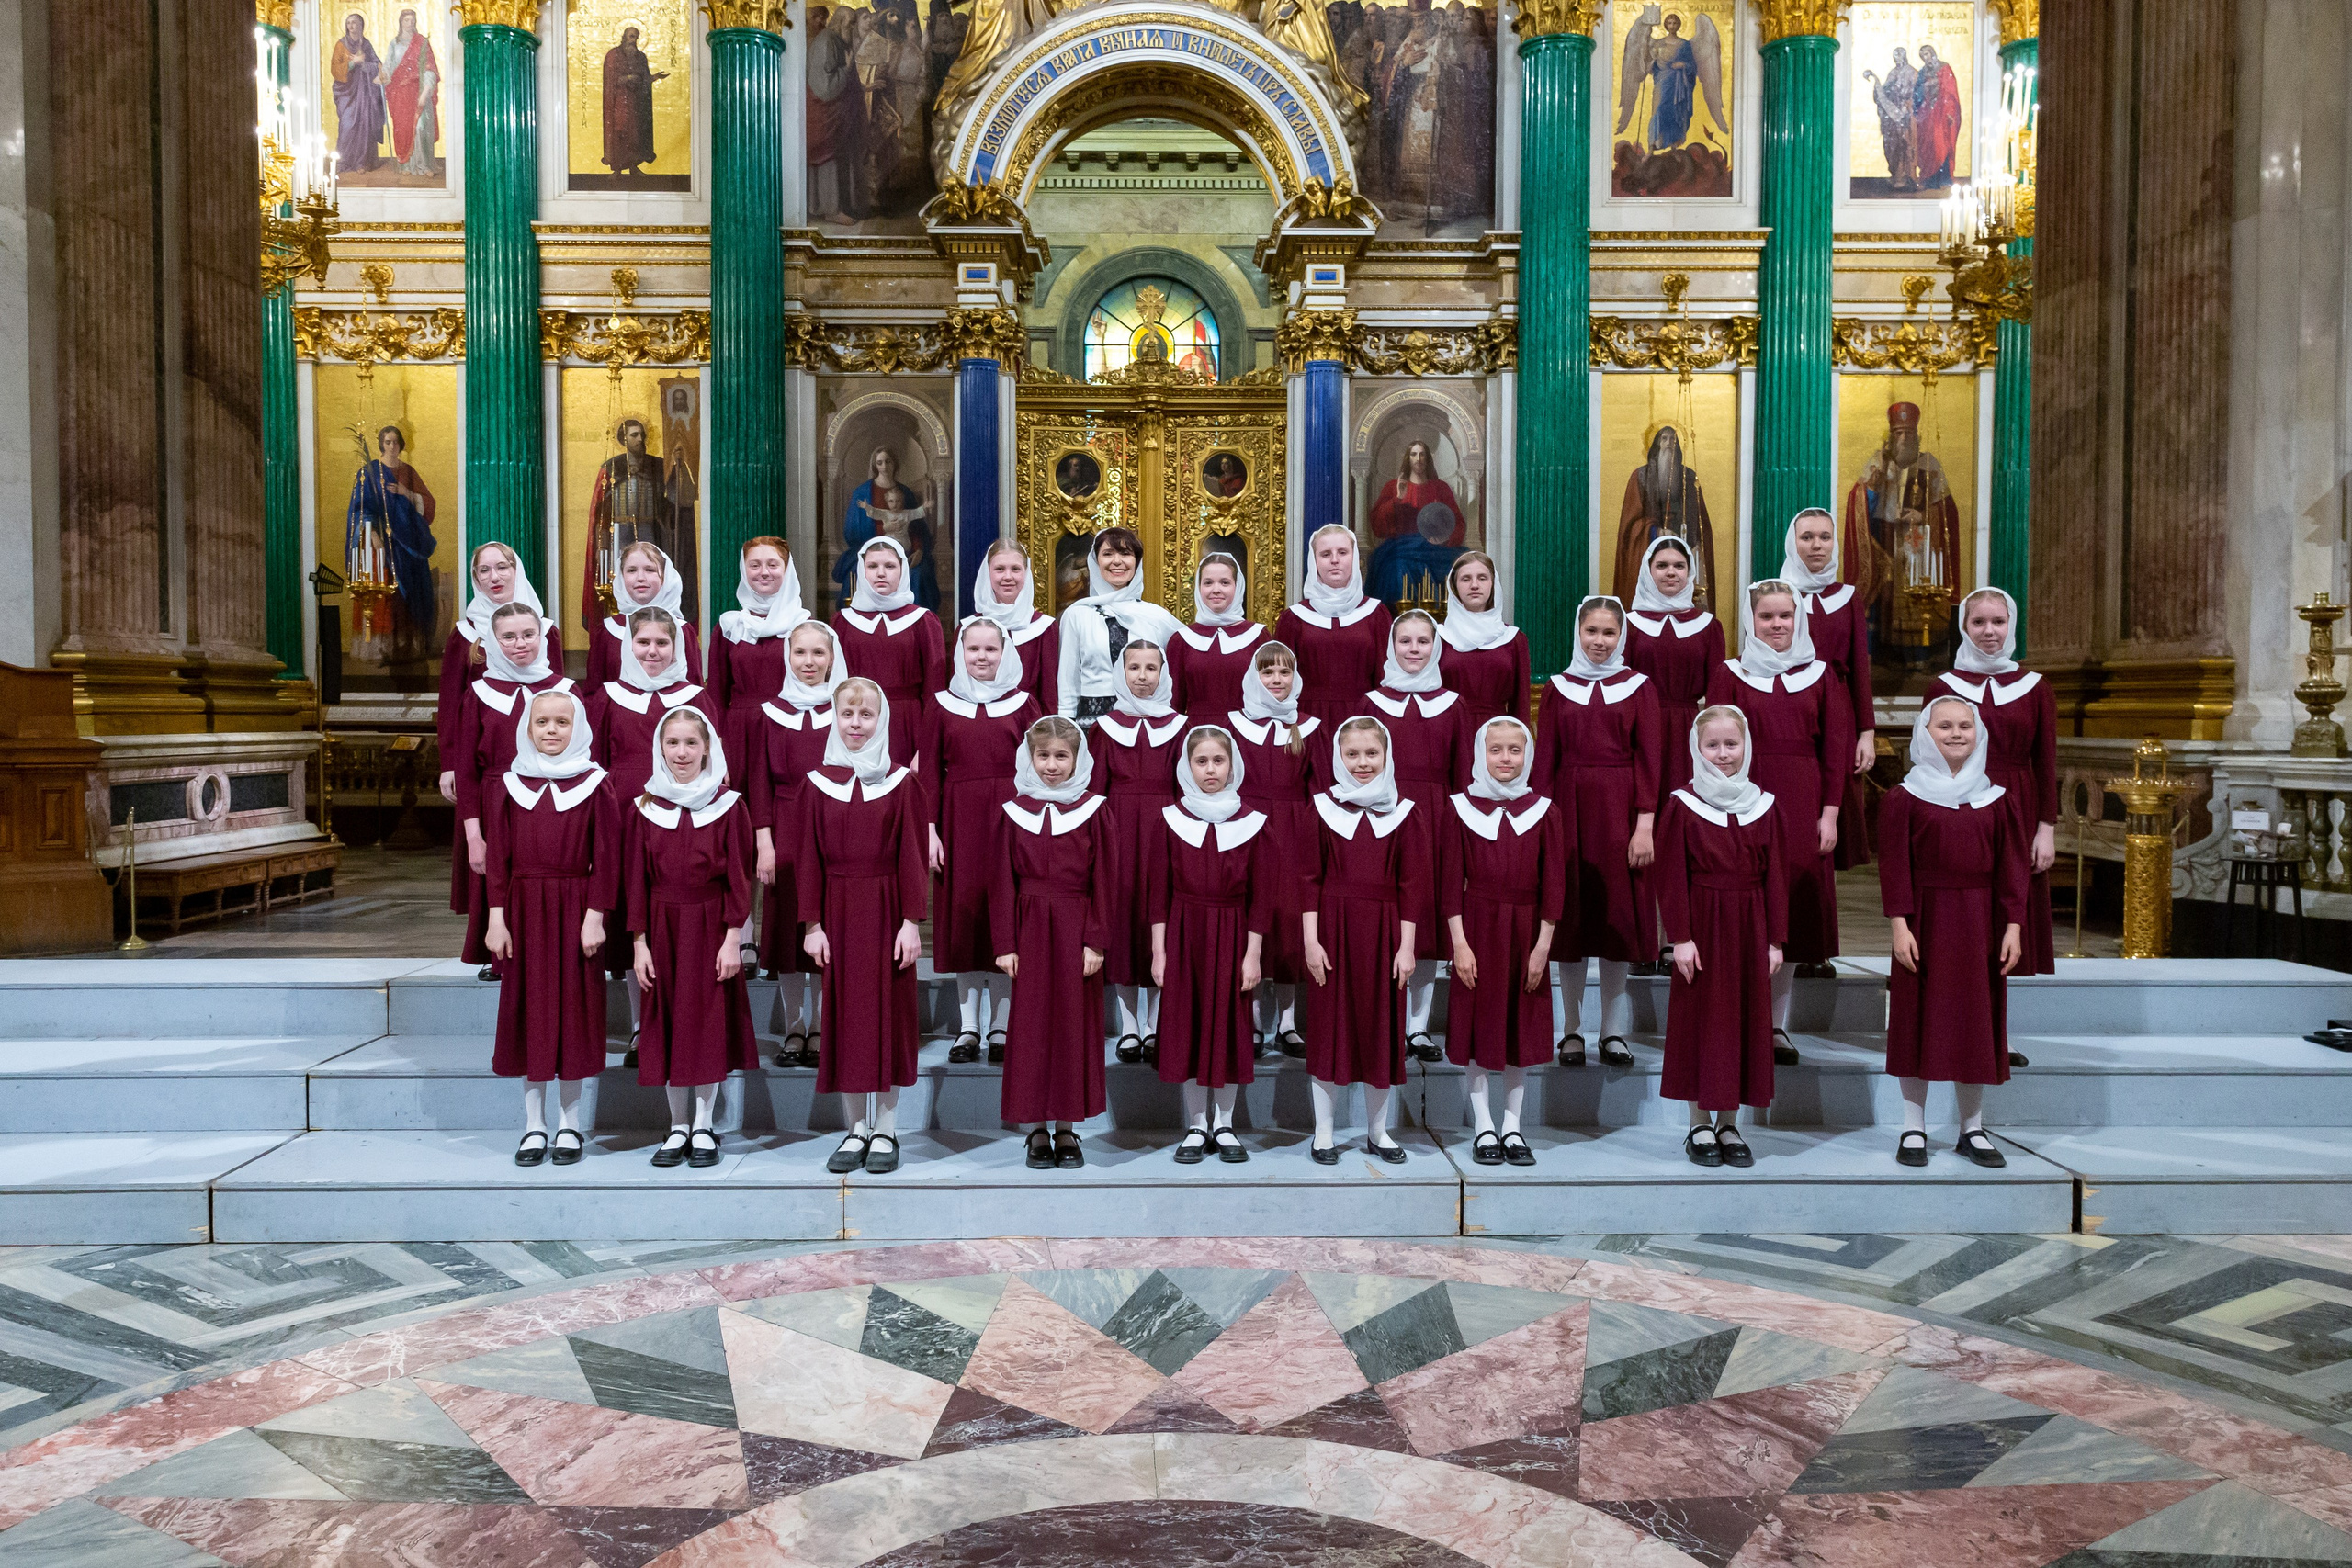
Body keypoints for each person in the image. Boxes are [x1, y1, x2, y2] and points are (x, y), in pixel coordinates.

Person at [1881, 695, 2027, 1169]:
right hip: (1923, 920)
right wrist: (1899, 925)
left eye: (1965, 725)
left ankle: (1972, 1128)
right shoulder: (1904, 797)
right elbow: (1895, 867)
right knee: (1916, 1022)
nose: (1957, 733)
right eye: (1944, 726)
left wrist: (2014, 926)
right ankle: (1913, 1126)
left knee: (1975, 1025)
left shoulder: (1996, 799)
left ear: (1979, 733)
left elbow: (2011, 869)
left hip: (1980, 923)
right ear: (1925, 733)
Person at [1708, 581, 1851, 1066]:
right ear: (1751, 620)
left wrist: (1829, 814)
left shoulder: (1822, 676)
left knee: (1788, 914)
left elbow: (1835, 750)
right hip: (1743, 799)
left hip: (1803, 799)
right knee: (1741, 908)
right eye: (1766, 616)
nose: (1777, 625)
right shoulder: (1729, 675)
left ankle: (1775, 1026)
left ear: (1799, 619)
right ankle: (1734, 1019)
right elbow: (1712, 746)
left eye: (1785, 616)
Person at [797, 677, 924, 1177]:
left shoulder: (902, 782)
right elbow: (807, 858)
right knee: (846, 1020)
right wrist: (812, 924)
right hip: (838, 909)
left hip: (888, 907)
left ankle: (888, 1128)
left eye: (866, 715)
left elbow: (913, 857)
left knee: (889, 1018)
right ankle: (855, 1128)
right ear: (835, 718)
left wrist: (911, 921)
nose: (855, 725)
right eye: (847, 715)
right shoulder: (816, 783)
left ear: (882, 721)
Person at [485, 690, 616, 1169]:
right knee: (530, 1016)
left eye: (562, 722)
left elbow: (606, 858)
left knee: (573, 1017)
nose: (552, 731)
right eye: (542, 722)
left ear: (578, 727)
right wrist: (497, 917)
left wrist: (596, 916)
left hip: (575, 910)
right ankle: (533, 1125)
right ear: (528, 727)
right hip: (522, 911)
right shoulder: (508, 784)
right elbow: (498, 860)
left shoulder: (595, 784)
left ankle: (570, 1124)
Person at [623, 707, 757, 1170]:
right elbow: (634, 882)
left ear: (707, 749)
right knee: (666, 1025)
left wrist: (732, 937)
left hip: (709, 926)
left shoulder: (728, 805)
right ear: (661, 748)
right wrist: (638, 943)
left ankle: (703, 1124)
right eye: (673, 743)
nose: (682, 753)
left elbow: (740, 880)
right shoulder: (643, 808)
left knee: (705, 1025)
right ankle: (676, 1124)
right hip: (660, 927)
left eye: (691, 744)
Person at [587, 606, 719, 1056]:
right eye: (643, 642)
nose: (652, 651)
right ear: (629, 646)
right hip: (623, 812)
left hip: (679, 820)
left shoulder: (696, 698)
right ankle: (642, 1024)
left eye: (662, 643)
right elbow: (593, 765)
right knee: (632, 916)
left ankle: (681, 1016)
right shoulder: (606, 697)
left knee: (672, 915)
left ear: (677, 646)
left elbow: (716, 767)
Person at [1537, 595, 1661, 1069]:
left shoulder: (1639, 688)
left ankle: (1612, 1030)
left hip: (1620, 813)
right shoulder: (1558, 689)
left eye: (1609, 634)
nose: (1600, 642)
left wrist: (1645, 823)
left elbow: (1651, 758)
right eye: (1592, 632)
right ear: (1578, 632)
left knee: (1615, 925)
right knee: (1569, 923)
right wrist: (1543, 828)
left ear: (1622, 637)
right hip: (1566, 810)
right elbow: (1544, 761)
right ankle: (1571, 1029)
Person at [1657, 706, 1785, 1168]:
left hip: (1751, 925)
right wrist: (1681, 938)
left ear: (1746, 747)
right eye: (1712, 745)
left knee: (1744, 1023)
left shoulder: (1765, 804)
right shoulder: (1681, 804)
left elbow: (1776, 878)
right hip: (1703, 927)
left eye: (1731, 744)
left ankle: (1730, 1123)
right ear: (1697, 749)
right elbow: (1671, 876)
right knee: (1701, 1022)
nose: (1723, 754)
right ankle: (1698, 1122)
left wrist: (1776, 939)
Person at [1934, 586, 2055, 1066]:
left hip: (2016, 808)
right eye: (1979, 623)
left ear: (2012, 626)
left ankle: (1994, 1037)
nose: (1989, 632)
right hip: (1958, 807)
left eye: (1998, 623)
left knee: (2005, 924)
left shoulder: (2036, 687)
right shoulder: (1943, 685)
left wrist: (2045, 828)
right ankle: (1949, 1031)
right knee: (1959, 922)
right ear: (1964, 627)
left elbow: (2046, 762)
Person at [1304, 716, 1433, 1165]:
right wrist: (1310, 941)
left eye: (1371, 754)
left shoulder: (1405, 812)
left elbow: (1413, 885)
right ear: (1338, 757)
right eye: (1352, 754)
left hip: (1384, 935)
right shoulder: (1320, 807)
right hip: (1332, 934)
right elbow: (1307, 879)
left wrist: (1407, 946)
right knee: (1329, 1032)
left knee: (1381, 1032)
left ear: (1387, 756)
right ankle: (1324, 1133)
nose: (1362, 763)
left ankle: (1379, 1132)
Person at [1442, 716, 1566, 1168]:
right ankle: (1483, 1125)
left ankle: (1512, 1126)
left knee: (1520, 1030)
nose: (1506, 759)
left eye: (1515, 750)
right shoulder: (1458, 808)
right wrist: (1458, 942)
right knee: (1479, 1029)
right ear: (1481, 754)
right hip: (1476, 929)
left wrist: (1542, 946)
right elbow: (1450, 881)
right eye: (1496, 750)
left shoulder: (1545, 811)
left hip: (1526, 934)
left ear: (1527, 755)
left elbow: (1554, 884)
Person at [993, 717, 1116, 1170]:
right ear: (1029, 759)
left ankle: (1066, 1128)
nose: (1051, 765)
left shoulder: (1095, 810)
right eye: (1042, 756)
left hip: (1075, 928)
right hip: (1028, 929)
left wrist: (1096, 941)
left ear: (1078, 760)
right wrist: (1005, 943)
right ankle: (1035, 1130)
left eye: (1061, 756)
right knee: (1030, 1029)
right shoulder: (1013, 810)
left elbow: (1106, 880)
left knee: (1071, 1028)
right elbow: (1001, 882)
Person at [1148, 726, 1272, 1165]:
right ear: (1187, 766)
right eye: (1201, 761)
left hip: (1234, 935)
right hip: (1184, 934)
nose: (1210, 770)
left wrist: (1252, 954)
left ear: (1233, 765)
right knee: (1189, 1026)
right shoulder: (1170, 819)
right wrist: (1159, 952)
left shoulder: (1253, 822)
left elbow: (1262, 898)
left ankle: (1225, 1122)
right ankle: (1197, 1124)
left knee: (1230, 1028)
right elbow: (1157, 895)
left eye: (1218, 761)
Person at [923, 618, 1038, 1066]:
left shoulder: (1025, 703)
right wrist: (930, 831)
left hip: (1011, 819)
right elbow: (930, 773)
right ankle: (969, 1026)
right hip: (958, 821)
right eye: (974, 650)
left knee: (1004, 918)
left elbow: (1039, 767)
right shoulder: (941, 705)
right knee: (965, 919)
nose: (982, 658)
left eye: (991, 650)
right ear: (961, 653)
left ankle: (1002, 1026)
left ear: (1005, 653)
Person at [449, 604, 572, 978]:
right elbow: (467, 772)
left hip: (551, 801)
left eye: (527, 635)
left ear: (541, 637)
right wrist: (473, 835)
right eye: (508, 637)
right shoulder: (479, 693)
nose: (520, 644)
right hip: (495, 799)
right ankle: (499, 955)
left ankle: (544, 952)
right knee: (501, 876)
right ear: (491, 642)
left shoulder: (564, 691)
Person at [1365, 609, 1464, 1062]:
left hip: (1437, 815)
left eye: (1423, 642)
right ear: (1391, 645)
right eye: (1405, 641)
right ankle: (1385, 1019)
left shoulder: (1454, 705)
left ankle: (1418, 1028)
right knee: (1388, 918)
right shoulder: (1371, 703)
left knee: (1423, 921)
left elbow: (1465, 779)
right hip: (1385, 817)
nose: (1413, 650)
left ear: (1435, 647)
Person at [750, 621, 842, 1070]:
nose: (809, 662)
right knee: (788, 931)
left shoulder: (846, 710)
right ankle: (794, 1027)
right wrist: (763, 843)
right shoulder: (769, 713)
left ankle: (824, 1027)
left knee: (825, 924)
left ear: (832, 657)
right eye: (801, 653)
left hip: (831, 826)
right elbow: (759, 782)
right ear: (788, 657)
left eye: (818, 654)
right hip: (784, 825)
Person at [1093, 639, 1186, 1065]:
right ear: (1122, 672)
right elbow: (1093, 792)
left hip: (1167, 829)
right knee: (1127, 921)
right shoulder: (1104, 729)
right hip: (1120, 831)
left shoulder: (1181, 728)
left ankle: (1157, 1023)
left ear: (1163, 674)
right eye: (1135, 668)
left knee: (1161, 917)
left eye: (1151, 668)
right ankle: (1131, 1026)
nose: (1143, 676)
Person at [1229, 641, 1322, 1059]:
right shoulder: (1233, 726)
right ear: (1254, 677)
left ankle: (1286, 1021)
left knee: (1287, 922)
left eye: (1284, 673)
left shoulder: (1311, 728)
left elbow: (1319, 790)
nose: (1277, 681)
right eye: (1268, 673)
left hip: (1293, 829)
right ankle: (1249, 1020)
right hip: (1246, 829)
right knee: (1252, 917)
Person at [1780, 508, 1874, 894]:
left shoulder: (1849, 597)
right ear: (1792, 542)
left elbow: (1860, 668)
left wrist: (1866, 731)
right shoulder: (1776, 592)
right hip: (1791, 709)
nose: (1816, 545)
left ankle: (1821, 928)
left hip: (1838, 711)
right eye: (1807, 537)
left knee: (1832, 818)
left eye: (1824, 537)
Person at [439, 544, 564, 788]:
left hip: (542, 755)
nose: (494, 577)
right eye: (484, 570)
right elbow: (450, 704)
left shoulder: (546, 631)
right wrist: (450, 764)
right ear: (476, 578)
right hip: (482, 758)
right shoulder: (465, 635)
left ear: (517, 571)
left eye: (502, 567)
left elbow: (559, 699)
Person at [831, 536, 945, 769]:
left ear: (903, 570)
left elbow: (936, 691)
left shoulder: (923, 621)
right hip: (856, 723)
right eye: (873, 566)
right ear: (862, 571)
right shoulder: (842, 622)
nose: (881, 573)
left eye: (890, 566)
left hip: (907, 723)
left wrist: (926, 747)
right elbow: (833, 686)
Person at [1057, 528, 1183, 727]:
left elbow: (1179, 667)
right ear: (1096, 561)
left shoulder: (1157, 617)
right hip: (1092, 723)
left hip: (1145, 723)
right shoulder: (1077, 614)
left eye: (1125, 553)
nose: (1117, 561)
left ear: (1137, 562)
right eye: (1108, 554)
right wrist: (1066, 725)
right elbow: (1068, 680)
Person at [1276, 524, 1393, 733]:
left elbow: (1386, 679)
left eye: (1342, 552)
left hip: (1364, 721)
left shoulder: (1376, 614)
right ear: (1314, 561)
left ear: (1355, 558)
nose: (1334, 560)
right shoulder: (1293, 618)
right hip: (1306, 724)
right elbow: (1281, 682)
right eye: (1325, 554)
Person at [707, 536, 806, 779]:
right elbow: (716, 693)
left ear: (786, 570)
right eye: (755, 565)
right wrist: (714, 746)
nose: (764, 572)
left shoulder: (804, 626)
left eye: (773, 565)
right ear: (744, 569)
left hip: (791, 729)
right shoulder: (729, 626)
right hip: (740, 733)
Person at [343, 424, 435, 660]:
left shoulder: (408, 472)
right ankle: (382, 649)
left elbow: (428, 504)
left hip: (408, 545)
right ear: (381, 445)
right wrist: (372, 534)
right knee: (385, 595)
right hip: (381, 545)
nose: (392, 446)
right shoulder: (371, 472)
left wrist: (407, 493)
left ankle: (405, 646)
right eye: (387, 442)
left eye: (395, 442)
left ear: (401, 444)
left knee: (410, 595)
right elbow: (359, 509)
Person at [1611, 425, 1716, 612]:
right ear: (1656, 445)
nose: (1669, 443)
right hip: (1647, 555)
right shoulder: (1640, 477)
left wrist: (1694, 542)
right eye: (1664, 439)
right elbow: (1630, 526)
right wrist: (1656, 531)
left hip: (1683, 559)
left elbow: (1700, 524)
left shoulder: (1689, 477)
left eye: (1673, 439)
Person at [834, 446, 939, 614]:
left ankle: (915, 618)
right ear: (875, 465)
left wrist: (918, 550)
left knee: (920, 574)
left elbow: (917, 526)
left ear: (894, 464)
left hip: (905, 552)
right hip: (870, 552)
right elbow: (852, 531)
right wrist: (883, 530)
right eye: (880, 462)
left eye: (888, 462)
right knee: (857, 572)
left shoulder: (905, 493)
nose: (884, 466)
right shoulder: (862, 492)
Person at [1437, 550, 1528, 736]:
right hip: (1450, 733)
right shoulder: (1439, 636)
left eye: (1482, 578)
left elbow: (1521, 703)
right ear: (1453, 586)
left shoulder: (1513, 639)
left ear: (1493, 584)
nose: (1474, 585)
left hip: (1498, 737)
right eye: (1466, 579)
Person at [1365, 440, 1468, 604]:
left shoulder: (1440, 488)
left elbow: (1457, 522)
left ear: (1428, 458)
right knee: (1396, 569)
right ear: (1408, 458)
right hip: (1400, 548)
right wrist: (1397, 499)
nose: (1418, 458)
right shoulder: (1393, 487)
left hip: (1435, 548)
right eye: (1414, 454)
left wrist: (1444, 538)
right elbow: (1378, 526)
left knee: (1460, 566)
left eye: (1422, 454)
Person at [590, 542, 702, 690]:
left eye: (650, 570)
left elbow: (694, 686)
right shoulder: (608, 631)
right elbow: (594, 689)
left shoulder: (682, 630)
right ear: (621, 577)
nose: (640, 577)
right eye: (631, 570)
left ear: (665, 576)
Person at [1169, 552, 1263, 718]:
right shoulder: (1181, 640)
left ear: (1238, 586)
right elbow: (1174, 702)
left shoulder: (1258, 635)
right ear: (1198, 588)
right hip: (1196, 733)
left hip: (1247, 731)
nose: (1216, 589)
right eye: (1208, 583)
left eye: (1225, 583)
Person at [968, 542, 1059, 715]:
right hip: (979, 720)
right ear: (987, 573)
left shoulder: (1045, 628)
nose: (1008, 576)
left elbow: (1049, 694)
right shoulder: (968, 627)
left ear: (1027, 573)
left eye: (1016, 569)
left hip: (1029, 722)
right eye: (1000, 569)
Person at [602, 25, 667, 177]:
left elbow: (645, 79)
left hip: (635, 103)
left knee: (635, 134)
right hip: (618, 102)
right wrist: (626, 78)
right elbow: (609, 79)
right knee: (619, 133)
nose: (633, 40)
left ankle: (634, 167)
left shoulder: (640, 57)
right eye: (631, 36)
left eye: (636, 37)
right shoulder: (613, 55)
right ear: (624, 37)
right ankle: (617, 169)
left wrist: (656, 77)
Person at [384, 10, 440, 179]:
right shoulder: (395, 44)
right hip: (401, 93)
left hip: (419, 90)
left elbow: (429, 68)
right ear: (401, 22)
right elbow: (389, 65)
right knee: (402, 128)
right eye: (406, 20)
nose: (409, 23)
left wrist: (426, 90)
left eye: (412, 20)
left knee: (421, 127)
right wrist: (382, 76)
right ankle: (406, 164)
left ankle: (425, 165)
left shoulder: (421, 42)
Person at [331, 13, 387, 173]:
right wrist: (352, 63)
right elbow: (335, 69)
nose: (351, 26)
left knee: (365, 125)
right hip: (347, 92)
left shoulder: (366, 45)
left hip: (365, 92)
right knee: (348, 125)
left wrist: (364, 64)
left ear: (361, 25)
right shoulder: (341, 45)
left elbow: (377, 65)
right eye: (348, 23)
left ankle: (362, 162)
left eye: (354, 23)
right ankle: (344, 161)